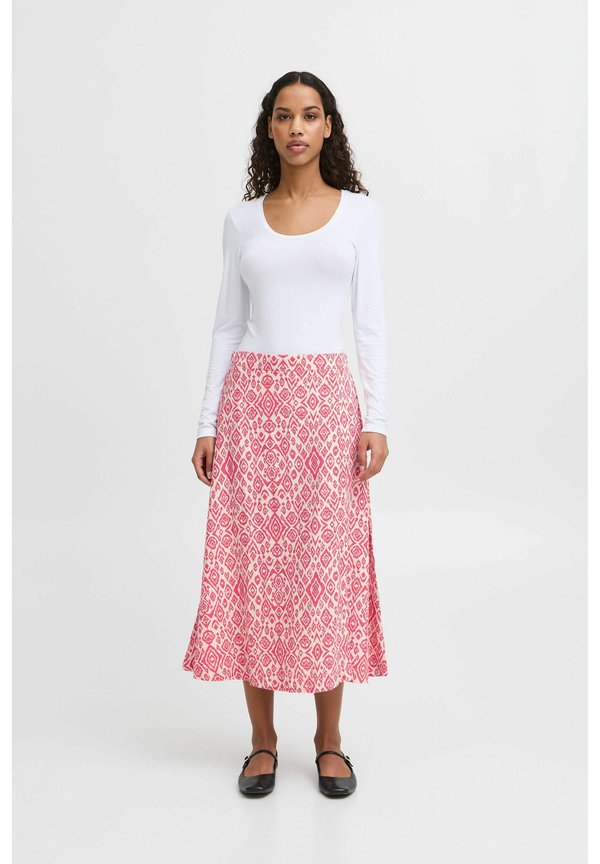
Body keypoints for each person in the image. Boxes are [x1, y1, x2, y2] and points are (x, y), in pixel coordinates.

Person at [182, 70, 390, 798]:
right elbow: (226, 325)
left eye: (309, 114)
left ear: (328, 125)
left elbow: (370, 322)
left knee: (325, 570)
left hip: (326, 409)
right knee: (255, 571)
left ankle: (330, 741)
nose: (296, 127)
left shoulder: (358, 214)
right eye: (283, 115)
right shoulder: (242, 220)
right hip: (253, 407)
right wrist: (207, 422)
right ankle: (262, 743)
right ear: (268, 128)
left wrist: (377, 417)